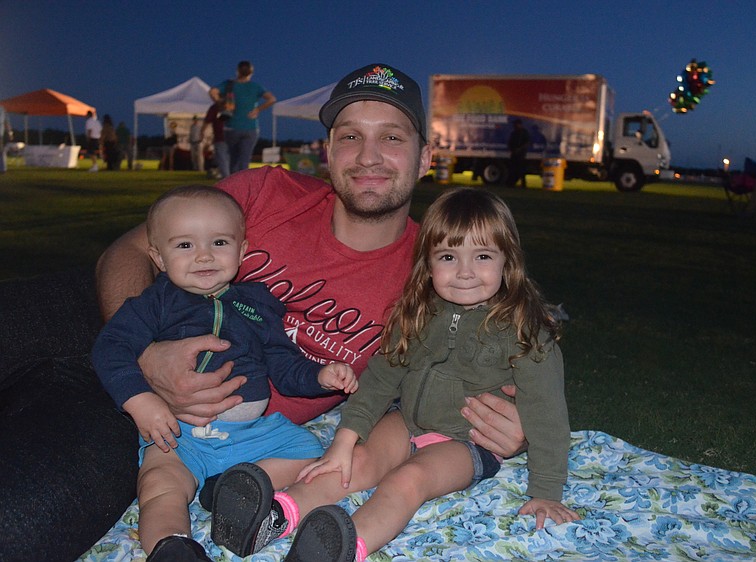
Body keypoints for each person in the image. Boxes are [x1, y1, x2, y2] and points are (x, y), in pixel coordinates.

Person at [96, 61, 528, 525]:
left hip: (262, 443)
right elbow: (126, 252)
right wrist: (145, 357)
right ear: (328, 151)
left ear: (425, 158)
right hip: (131, 398)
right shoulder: (264, 193)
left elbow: (478, 366)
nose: (367, 156)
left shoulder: (440, 272)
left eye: (392, 137)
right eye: (349, 136)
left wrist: (510, 422)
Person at [211, 187, 579, 560]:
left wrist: (545, 491)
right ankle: (270, 517)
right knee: (355, 462)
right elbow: (379, 379)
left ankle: (341, 547)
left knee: (408, 480)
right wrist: (343, 441)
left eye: (482, 256)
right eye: (448, 256)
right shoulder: (417, 312)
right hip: (406, 420)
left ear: (507, 260)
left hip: (466, 442)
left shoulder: (525, 331)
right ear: (428, 262)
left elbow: (546, 413)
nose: (465, 272)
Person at [92, 185, 359, 561]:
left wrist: (319, 376)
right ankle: (172, 546)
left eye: (219, 242)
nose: (203, 256)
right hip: (179, 436)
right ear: (158, 257)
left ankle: (229, 489)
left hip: (250, 436)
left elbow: (283, 365)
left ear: (243, 250)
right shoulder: (156, 302)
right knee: (159, 486)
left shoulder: (256, 304)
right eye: (184, 246)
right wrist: (141, 400)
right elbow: (110, 346)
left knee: (309, 451)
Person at [209, 60, 276, 176]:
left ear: (237, 71)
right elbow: (272, 99)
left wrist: (220, 102)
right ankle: (243, 186)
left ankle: (233, 186)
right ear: (251, 73)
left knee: (233, 159)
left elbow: (212, 92)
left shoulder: (229, 85)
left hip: (231, 128)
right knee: (245, 160)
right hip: (251, 128)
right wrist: (257, 110)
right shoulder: (256, 87)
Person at [203, 102, 228, 179]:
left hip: (222, 137)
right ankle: (228, 176)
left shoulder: (215, 107)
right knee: (225, 158)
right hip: (229, 136)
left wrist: (201, 132)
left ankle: (227, 177)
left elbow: (207, 121)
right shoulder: (233, 104)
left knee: (222, 158)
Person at [506, 118, 531, 187]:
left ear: (519, 124)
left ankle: (523, 183)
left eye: (516, 124)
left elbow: (527, 143)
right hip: (514, 153)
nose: (515, 126)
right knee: (513, 169)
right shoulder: (514, 132)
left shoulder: (524, 132)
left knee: (520, 169)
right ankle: (512, 182)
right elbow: (510, 142)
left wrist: (519, 149)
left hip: (521, 154)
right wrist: (512, 150)